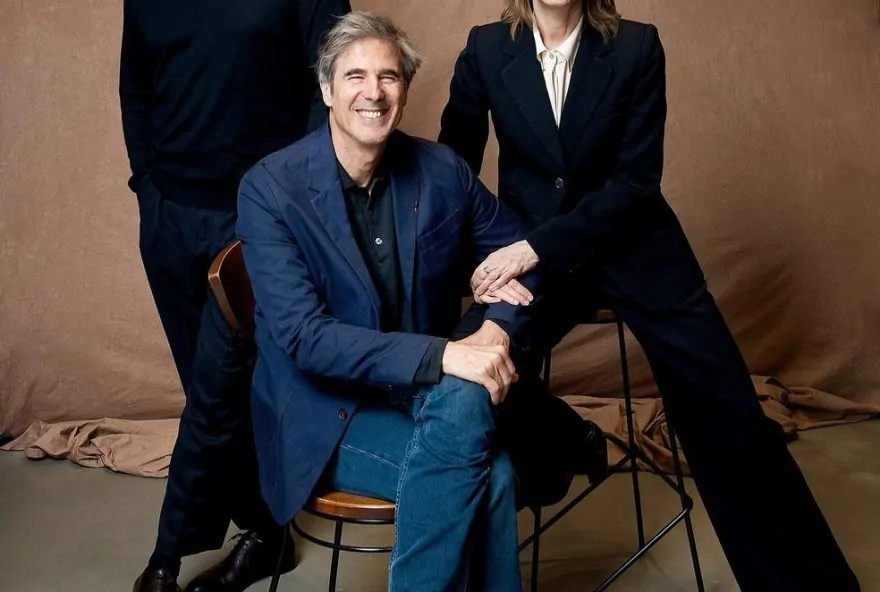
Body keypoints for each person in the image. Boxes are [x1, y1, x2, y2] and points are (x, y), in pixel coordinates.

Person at [437, 1, 861, 590]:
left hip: (632, 250)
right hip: (535, 262)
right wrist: (483, 259)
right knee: (461, 371)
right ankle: (572, 440)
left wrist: (534, 248)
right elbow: (451, 170)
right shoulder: (486, 47)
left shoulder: (637, 46)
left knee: (733, 419)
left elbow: (636, 184)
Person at [237, 11, 607, 590]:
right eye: (355, 76)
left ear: (405, 91)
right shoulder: (270, 189)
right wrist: (448, 356)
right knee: (493, 475)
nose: (373, 92)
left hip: (422, 393)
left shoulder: (439, 170)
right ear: (327, 89)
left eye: (388, 77)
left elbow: (523, 256)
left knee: (465, 400)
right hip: (324, 414)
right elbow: (307, 339)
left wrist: (493, 333)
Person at [119, 1, 351, 590]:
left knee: (223, 384)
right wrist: (146, 185)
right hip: (171, 214)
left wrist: (288, 201)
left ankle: (172, 554)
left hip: (258, 211)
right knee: (206, 384)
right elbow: (136, 87)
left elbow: (331, 83)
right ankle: (264, 528)